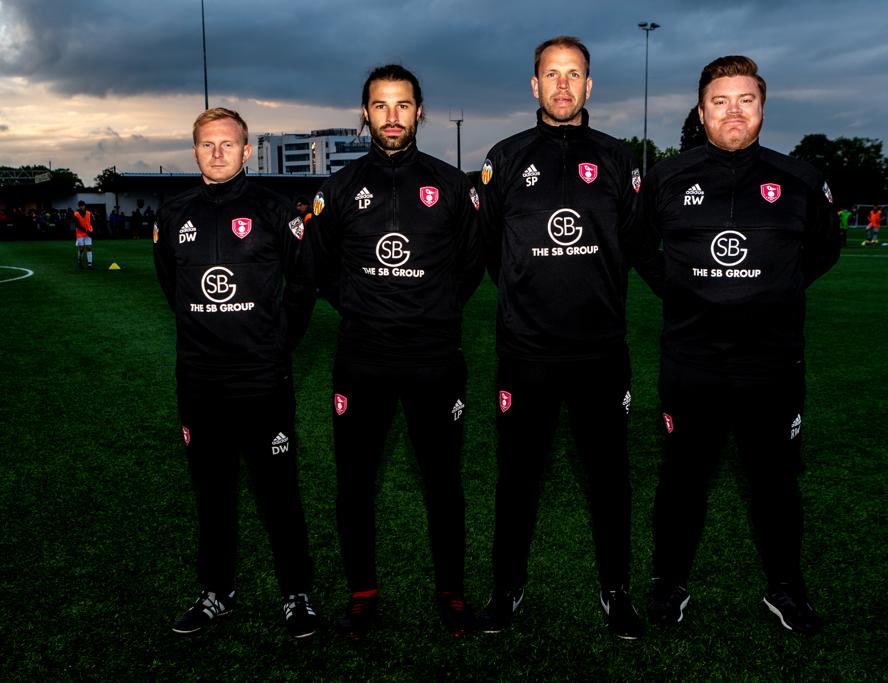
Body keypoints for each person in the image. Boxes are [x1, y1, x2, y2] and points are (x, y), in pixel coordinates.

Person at [638, 55, 840, 635]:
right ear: (702, 112)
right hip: (692, 361)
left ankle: (786, 588)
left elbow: (824, 250)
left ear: (762, 108)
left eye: (745, 100)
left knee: (775, 480)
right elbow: (642, 248)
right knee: (682, 479)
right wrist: (687, 293)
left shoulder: (800, 179)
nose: (733, 111)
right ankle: (669, 583)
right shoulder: (667, 179)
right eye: (720, 101)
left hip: (771, 363)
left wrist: (774, 289)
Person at [476, 35, 654, 640]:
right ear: (534, 85)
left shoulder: (618, 158)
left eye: (573, 74)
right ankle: (506, 592)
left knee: (610, 479)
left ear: (589, 86)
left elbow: (631, 244)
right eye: (551, 74)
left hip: (600, 353)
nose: (561, 85)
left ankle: (617, 592)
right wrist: (529, 292)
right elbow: (491, 250)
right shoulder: (504, 157)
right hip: (526, 353)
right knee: (517, 478)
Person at [310, 64, 483, 640]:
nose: (392, 116)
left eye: (403, 105)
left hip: (434, 357)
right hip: (363, 358)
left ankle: (452, 594)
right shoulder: (337, 188)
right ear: (365, 114)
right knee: (355, 483)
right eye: (380, 106)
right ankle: (362, 595)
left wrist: (429, 308)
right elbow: (320, 267)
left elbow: (470, 266)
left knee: (443, 482)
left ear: (420, 111)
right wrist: (364, 305)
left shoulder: (452, 186)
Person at [154, 107, 319, 639]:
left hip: (262, 380)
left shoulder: (274, 211)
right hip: (201, 382)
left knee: (279, 493)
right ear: (195, 150)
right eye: (208, 144)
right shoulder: (174, 214)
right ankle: (215, 592)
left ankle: (297, 595)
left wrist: (275, 344)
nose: (218, 152)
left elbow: (301, 286)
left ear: (247, 151)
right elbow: (170, 288)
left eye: (229, 144)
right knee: (212, 492)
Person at [72, 201, 94, 269]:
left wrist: (92, 231)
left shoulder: (89, 213)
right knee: (81, 248)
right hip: (80, 233)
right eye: (80, 206)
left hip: (88, 232)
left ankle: (90, 264)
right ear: (79, 206)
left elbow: (92, 222)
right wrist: (86, 231)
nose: (82, 207)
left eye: (83, 205)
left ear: (85, 206)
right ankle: (80, 261)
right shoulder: (76, 213)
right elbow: (77, 225)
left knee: (89, 247)